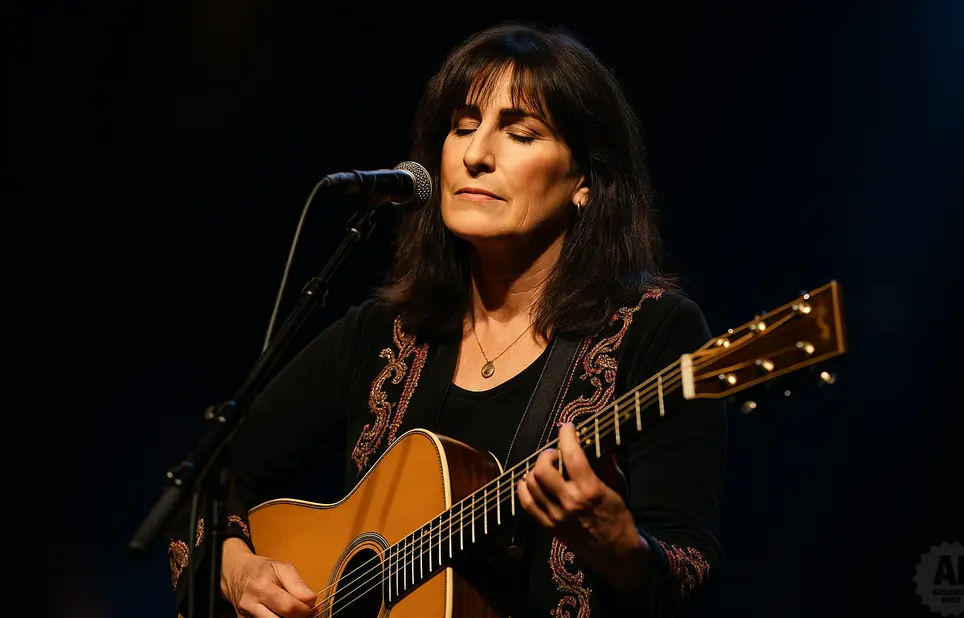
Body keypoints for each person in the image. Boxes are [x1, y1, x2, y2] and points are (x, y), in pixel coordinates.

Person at [166, 21, 726, 618]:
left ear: (585, 181)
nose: (476, 154)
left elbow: (688, 572)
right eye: (463, 126)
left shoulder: (654, 333)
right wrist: (234, 568)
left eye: (520, 133)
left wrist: (621, 548)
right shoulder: (387, 334)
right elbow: (207, 473)